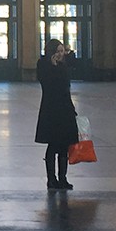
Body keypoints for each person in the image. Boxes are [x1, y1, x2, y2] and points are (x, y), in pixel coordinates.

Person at [34, 38, 78, 191]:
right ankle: (51, 179)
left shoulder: (63, 67)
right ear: (51, 52)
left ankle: (63, 178)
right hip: (51, 110)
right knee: (53, 145)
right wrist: (52, 66)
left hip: (65, 110)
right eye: (57, 51)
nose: (60, 54)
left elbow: (65, 87)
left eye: (62, 51)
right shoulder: (43, 65)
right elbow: (46, 83)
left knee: (64, 146)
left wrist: (72, 110)